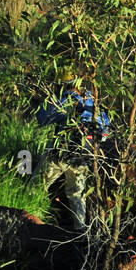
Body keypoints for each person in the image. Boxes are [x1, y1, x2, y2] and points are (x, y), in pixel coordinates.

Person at [35, 70, 112, 232]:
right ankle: (80, 231)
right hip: (84, 156)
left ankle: (30, 218)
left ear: (62, 85)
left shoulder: (65, 100)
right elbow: (106, 131)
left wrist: (38, 102)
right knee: (77, 195)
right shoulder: (94, 100)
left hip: (61, 154)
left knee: (36, 185)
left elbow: (42, 119)